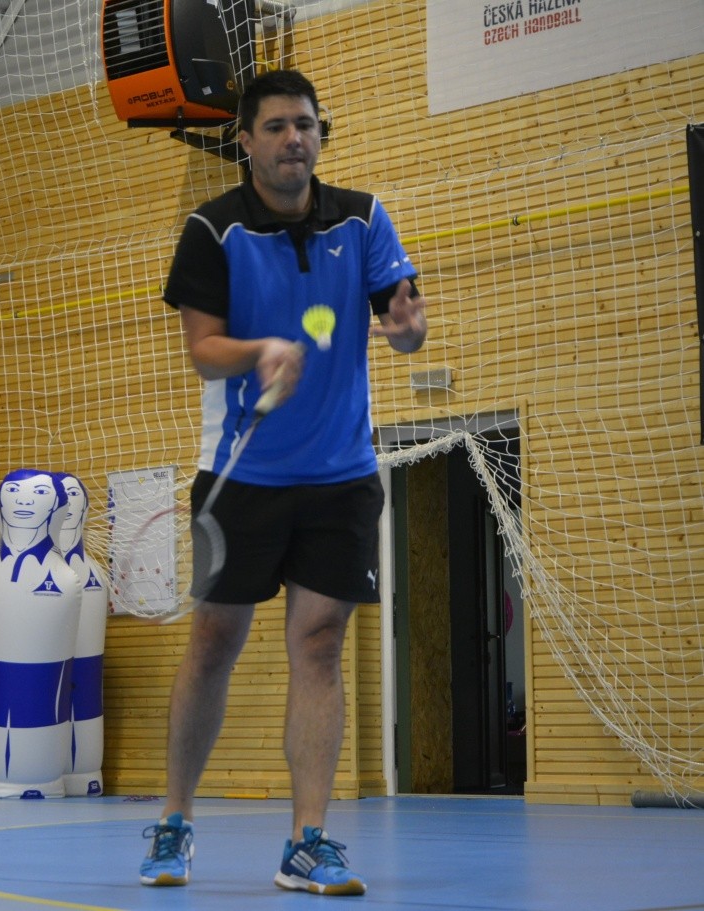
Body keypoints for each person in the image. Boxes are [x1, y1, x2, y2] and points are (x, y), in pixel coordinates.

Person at [139, 70, 428, 896]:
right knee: (213, 641)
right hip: (240, 475)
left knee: (319, 643)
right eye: (274, 126)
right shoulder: (212, 229)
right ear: (245, 140)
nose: (293, 138)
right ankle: (173, 818)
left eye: (305, 124)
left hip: (341, 476)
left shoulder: (362, 218)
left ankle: (307, 840)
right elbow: (202, 348)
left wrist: (408, 331)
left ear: (318, 134)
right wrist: (259, 351)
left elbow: (402, 323)